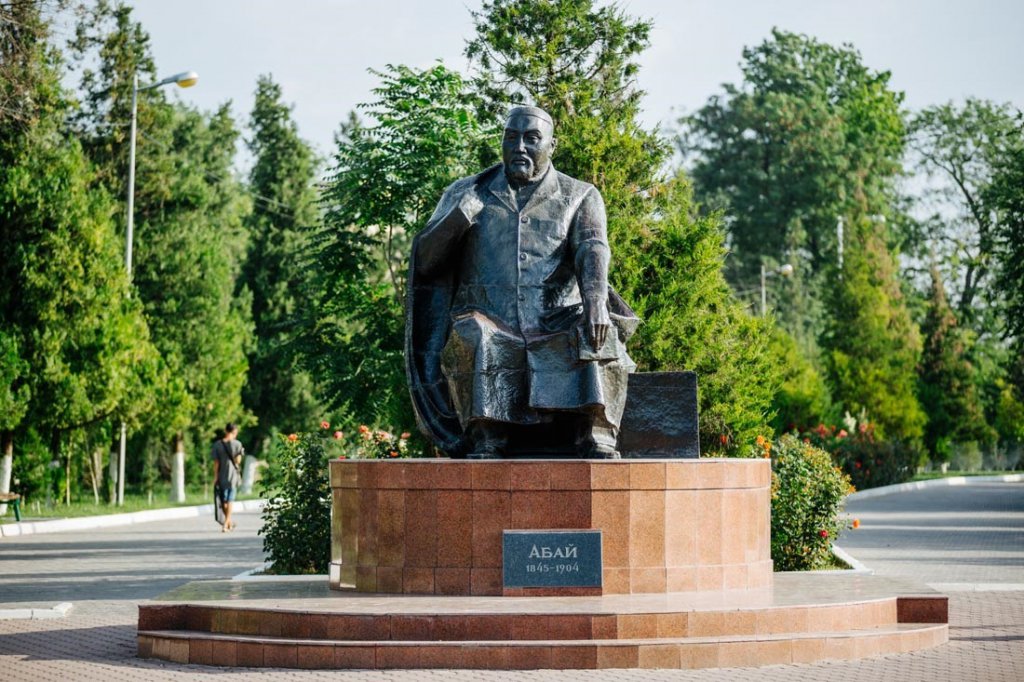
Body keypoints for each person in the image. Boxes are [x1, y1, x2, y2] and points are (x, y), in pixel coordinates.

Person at [406, 105, 638, 458]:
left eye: (532, 139)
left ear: (552, 145)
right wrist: (458, 217)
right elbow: (425, 262)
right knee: (477, 334)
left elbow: (592, 249)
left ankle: (596, 431)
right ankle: (487, 436)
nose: (520, 147)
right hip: (489, 316)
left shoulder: (580, 195)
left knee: (593, 326)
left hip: (554, 318)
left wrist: (595, 302)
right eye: (511, 137)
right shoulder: (466, 192)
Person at [211, 423, 244, 532]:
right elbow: (238, 461)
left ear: (225, 430)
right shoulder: (238, 444)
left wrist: (215, 477)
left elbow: (216, 463)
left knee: (224, 501)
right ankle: (227, 523)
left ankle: (227, 522)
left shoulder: (217, 445)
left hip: (221, 476)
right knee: (230, 500)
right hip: (233, 476)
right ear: (234, 432)